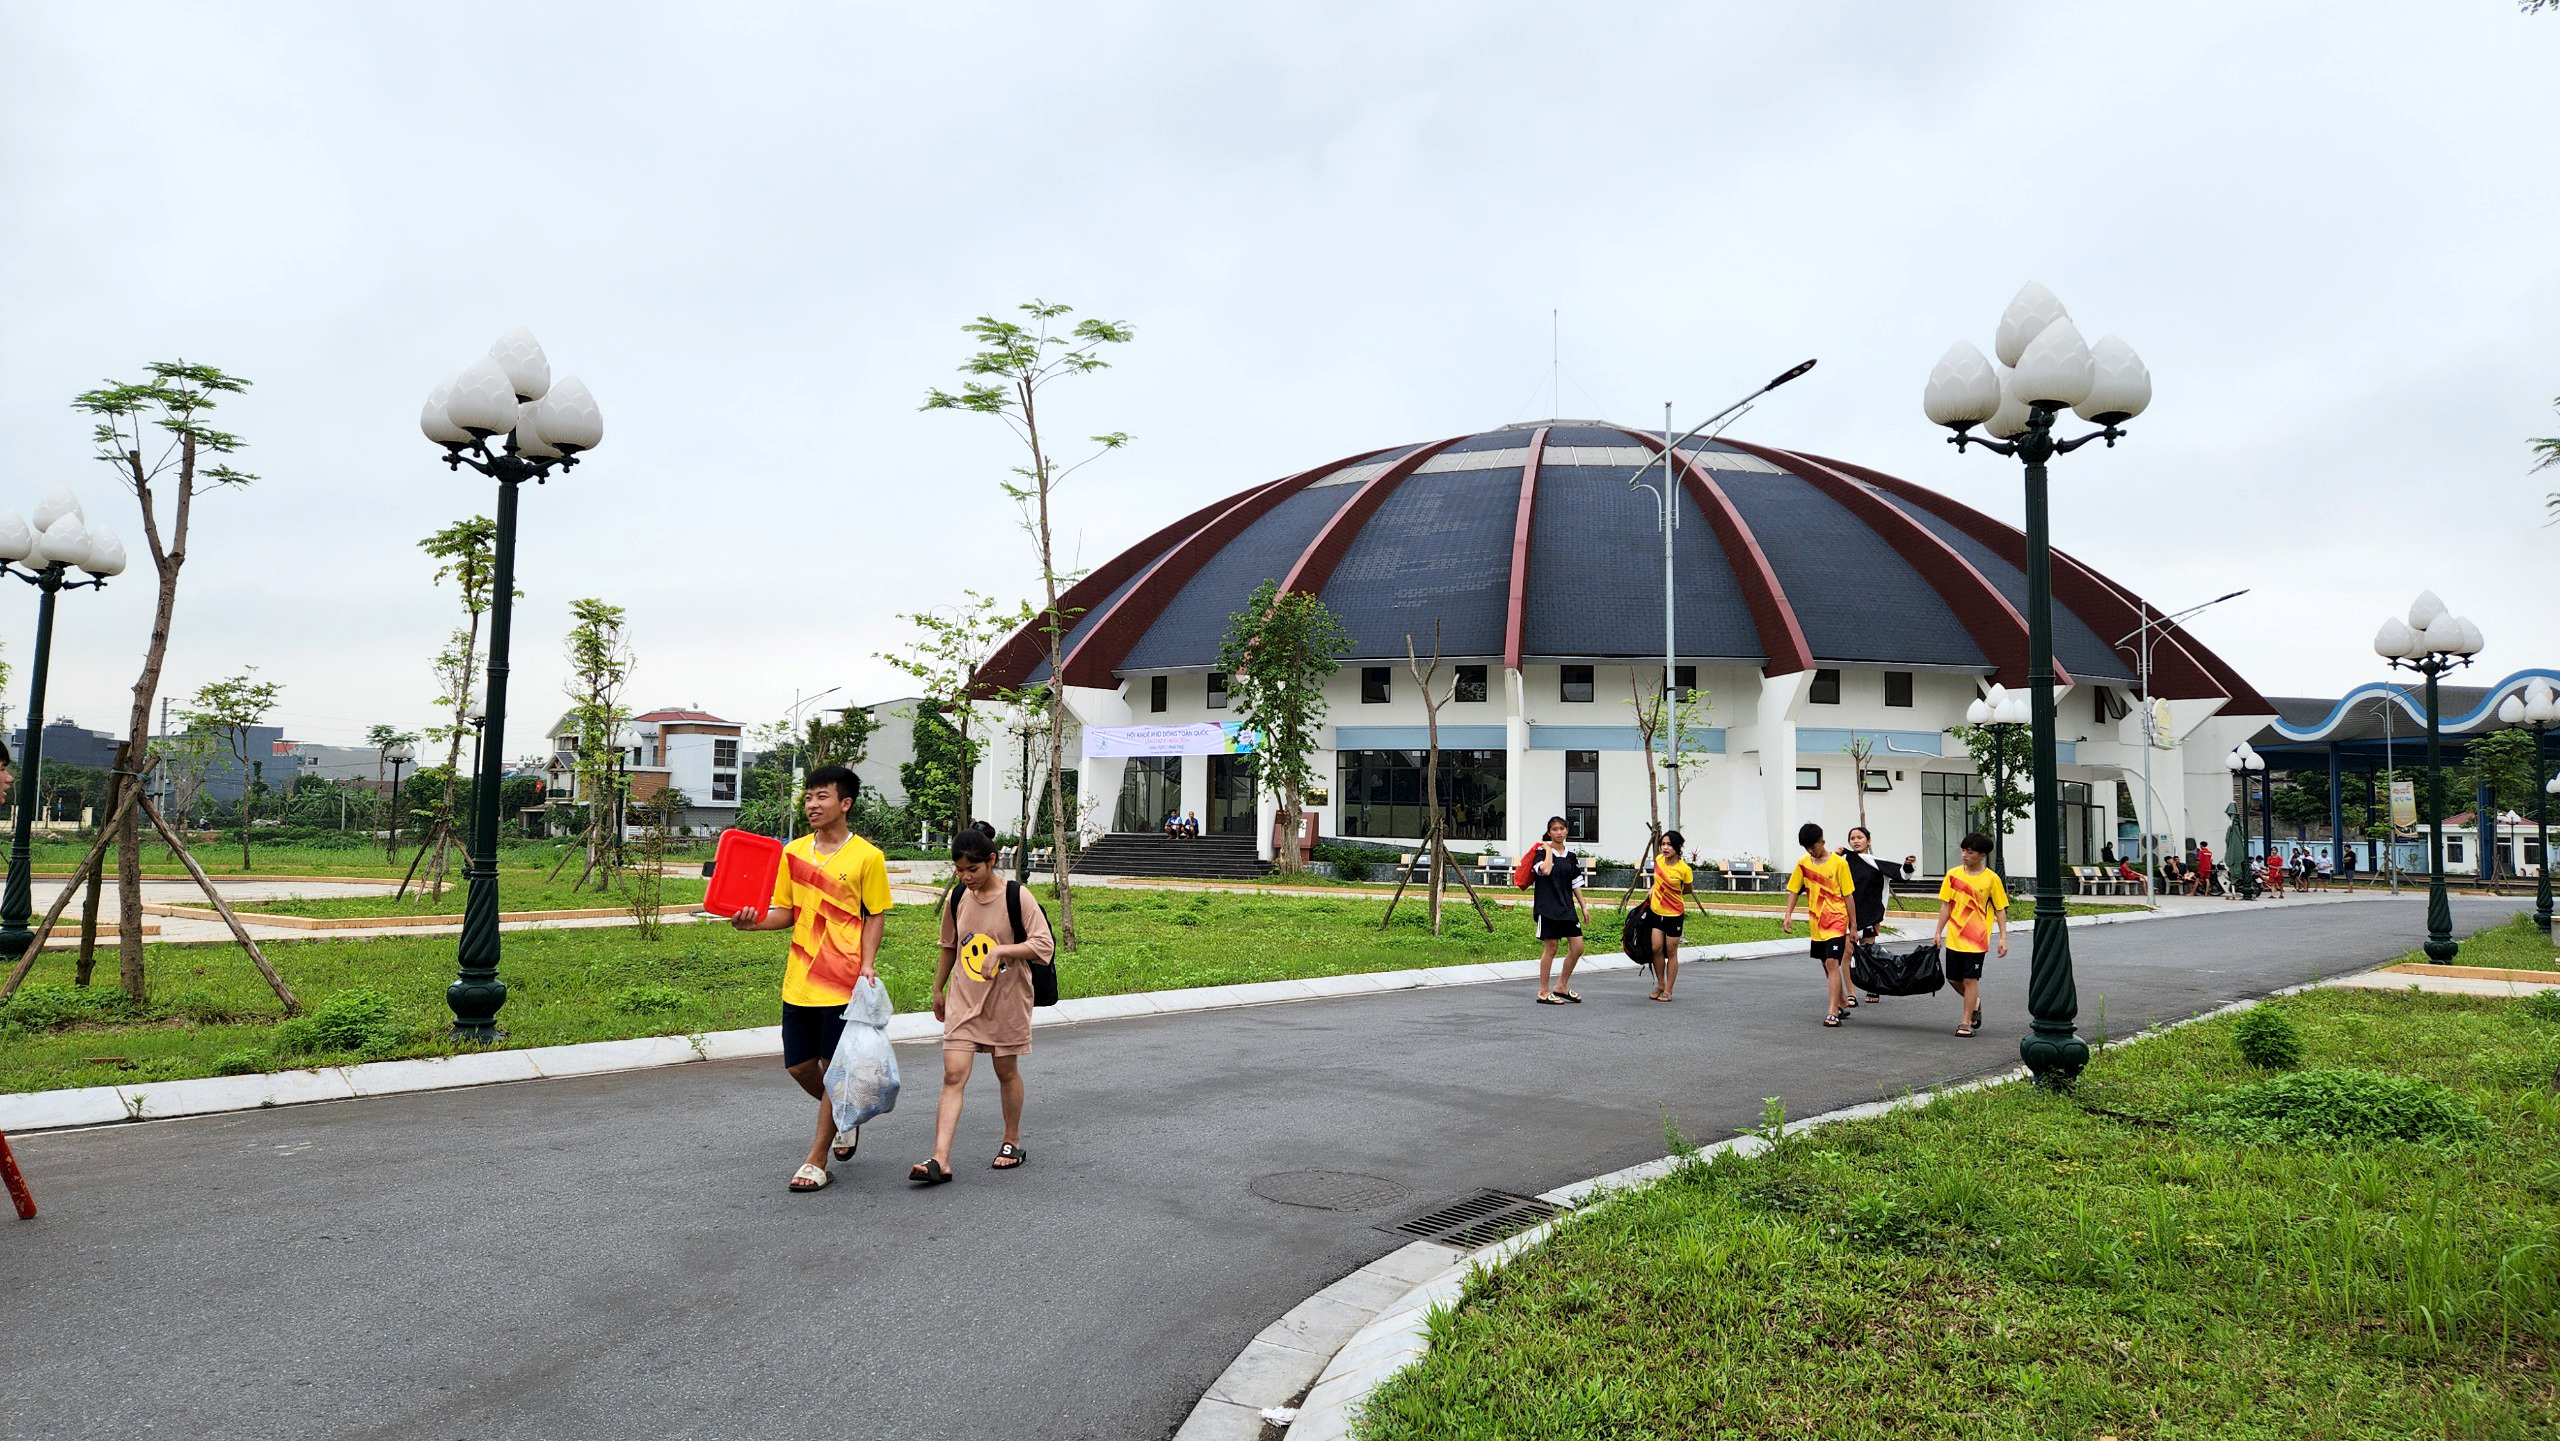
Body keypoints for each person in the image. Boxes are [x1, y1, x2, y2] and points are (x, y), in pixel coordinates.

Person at [730, 765, 892, 1194]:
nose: (812, 805)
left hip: (842, 980)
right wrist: (753, 923)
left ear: (845, 804)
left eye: (822, 797)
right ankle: (844, 1113)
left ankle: (816, 1159)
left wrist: (868, 963)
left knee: (835, 1068)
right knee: (800, 1066)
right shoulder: (793, 852)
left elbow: (875, 913)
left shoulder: (867, 857)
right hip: (799, 979)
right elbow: (786, 911)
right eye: (808, 797)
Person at [912, 828, 1054, 1185]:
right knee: (953, 1074)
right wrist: (938, 988)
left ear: (991, 861)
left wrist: (1002, 950)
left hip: (1007, 1000)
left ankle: (1011, 1141)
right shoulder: (959, 897)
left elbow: (1043, 945)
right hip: (964, 997)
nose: (965, 877)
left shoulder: (1016, 897)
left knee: (1005, 1071)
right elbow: (949, 945)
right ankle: (940, 1158)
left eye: (971, 870)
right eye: (959, 870)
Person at [1932, 831, 2008, 1038]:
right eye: (1963, 850)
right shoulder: (1953, 875)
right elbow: (1946, 905)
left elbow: (2000, 908)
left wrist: (2003, 936)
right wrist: (1938, 931)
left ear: (1981, 855)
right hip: (1955, 936)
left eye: (1970, 851)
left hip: (1977, 938)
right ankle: (1975, 1002)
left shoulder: (1991, 879)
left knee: (1970, 980)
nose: (1965, 855)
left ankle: (1965, 1022)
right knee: (1953, 979)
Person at [1781, 822, 1857, 1027]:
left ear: (1822, 841)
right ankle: (1841, 1001)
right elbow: (1794, 890)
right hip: (1816, 924)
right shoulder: (1803, 863)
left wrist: (1854, 926)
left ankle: (1832, 1010)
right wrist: (1788, 914)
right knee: (1826, 964)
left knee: (1833, 962)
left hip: (1837, 921)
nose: (1810, 851)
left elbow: (1848, 896)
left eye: (1813, 846)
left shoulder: (1839, 864)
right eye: (1806, 848)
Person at [1841, 826, 1916, 1005]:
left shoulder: (1876, 862)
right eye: (1852, 838)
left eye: (1860, 837)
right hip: (1846, 917)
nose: (1856, 841)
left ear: (1868, 841)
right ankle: (1851, 993)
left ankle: (1872, 987)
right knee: (1847, 953)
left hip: (1870, 916)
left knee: (1869, 955)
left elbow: (1902, 875)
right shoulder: (1843, 862)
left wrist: (1907, 864)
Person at [1528, 815, 1588, 1005]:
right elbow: (1545, 870)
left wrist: (1584, 906)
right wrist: (1547, 850)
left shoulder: (1571, 856)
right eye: (1554, 829)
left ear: (1567, 831)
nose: (1559, 832)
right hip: (1547, 908)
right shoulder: (1541, 852)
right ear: (1549, 832)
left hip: (1567, 909)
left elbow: (1575, 883)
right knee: (1551, 948)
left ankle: (1561, 985)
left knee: (1578, 947)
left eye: (1562, 828)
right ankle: (1543, 991)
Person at [1644, 830, 1691, 1001]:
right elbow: (1657, 880)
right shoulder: (1658, 860)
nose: (1665, 847)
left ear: (1677, 847)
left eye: (1669, 844)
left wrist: (1671, 896)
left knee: (1671, 951)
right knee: (1656, 948)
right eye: (1663, 844)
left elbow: (1687, 889)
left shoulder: (1684, 869)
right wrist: (1653, 889)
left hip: (1674, 913)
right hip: (1656, 911)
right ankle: (1660, 984)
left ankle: (1668, 990)